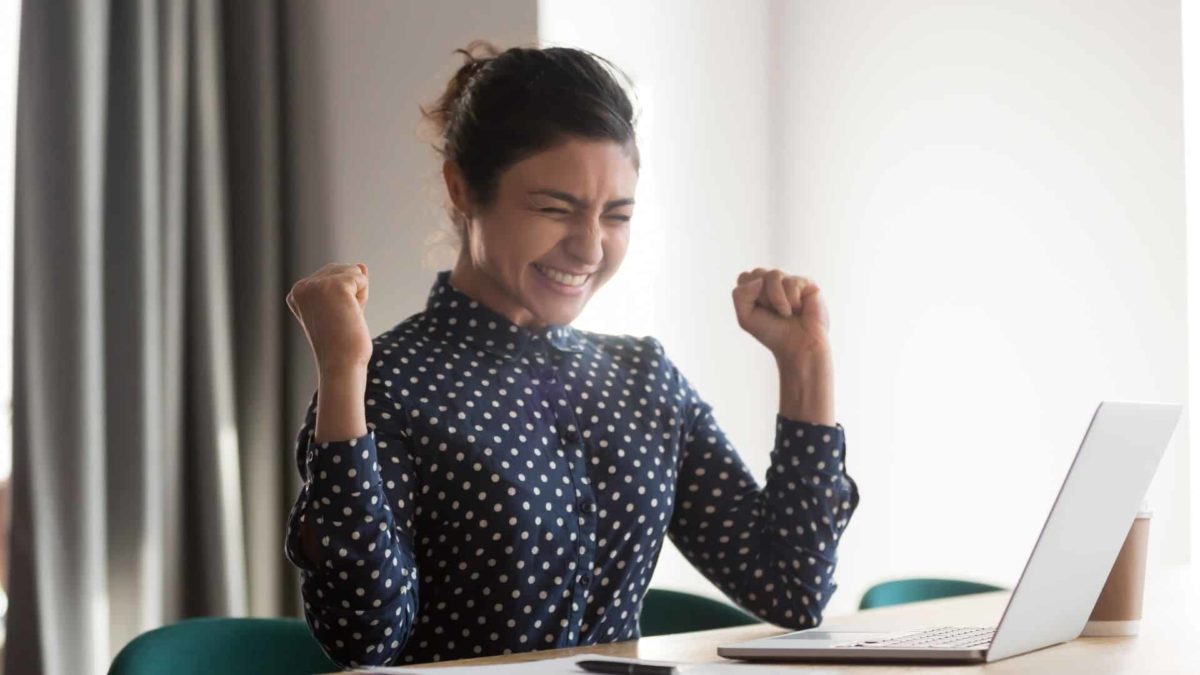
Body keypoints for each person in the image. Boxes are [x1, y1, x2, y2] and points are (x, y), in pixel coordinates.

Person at [283, 40, 860, 668]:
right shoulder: (386, 382)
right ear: (463, 190)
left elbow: (792, 588)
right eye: (555, 209)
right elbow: (363, 638)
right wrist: (342, 372)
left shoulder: (644, 379)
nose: (589, 249)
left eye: (617, 216)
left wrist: (806, 364)